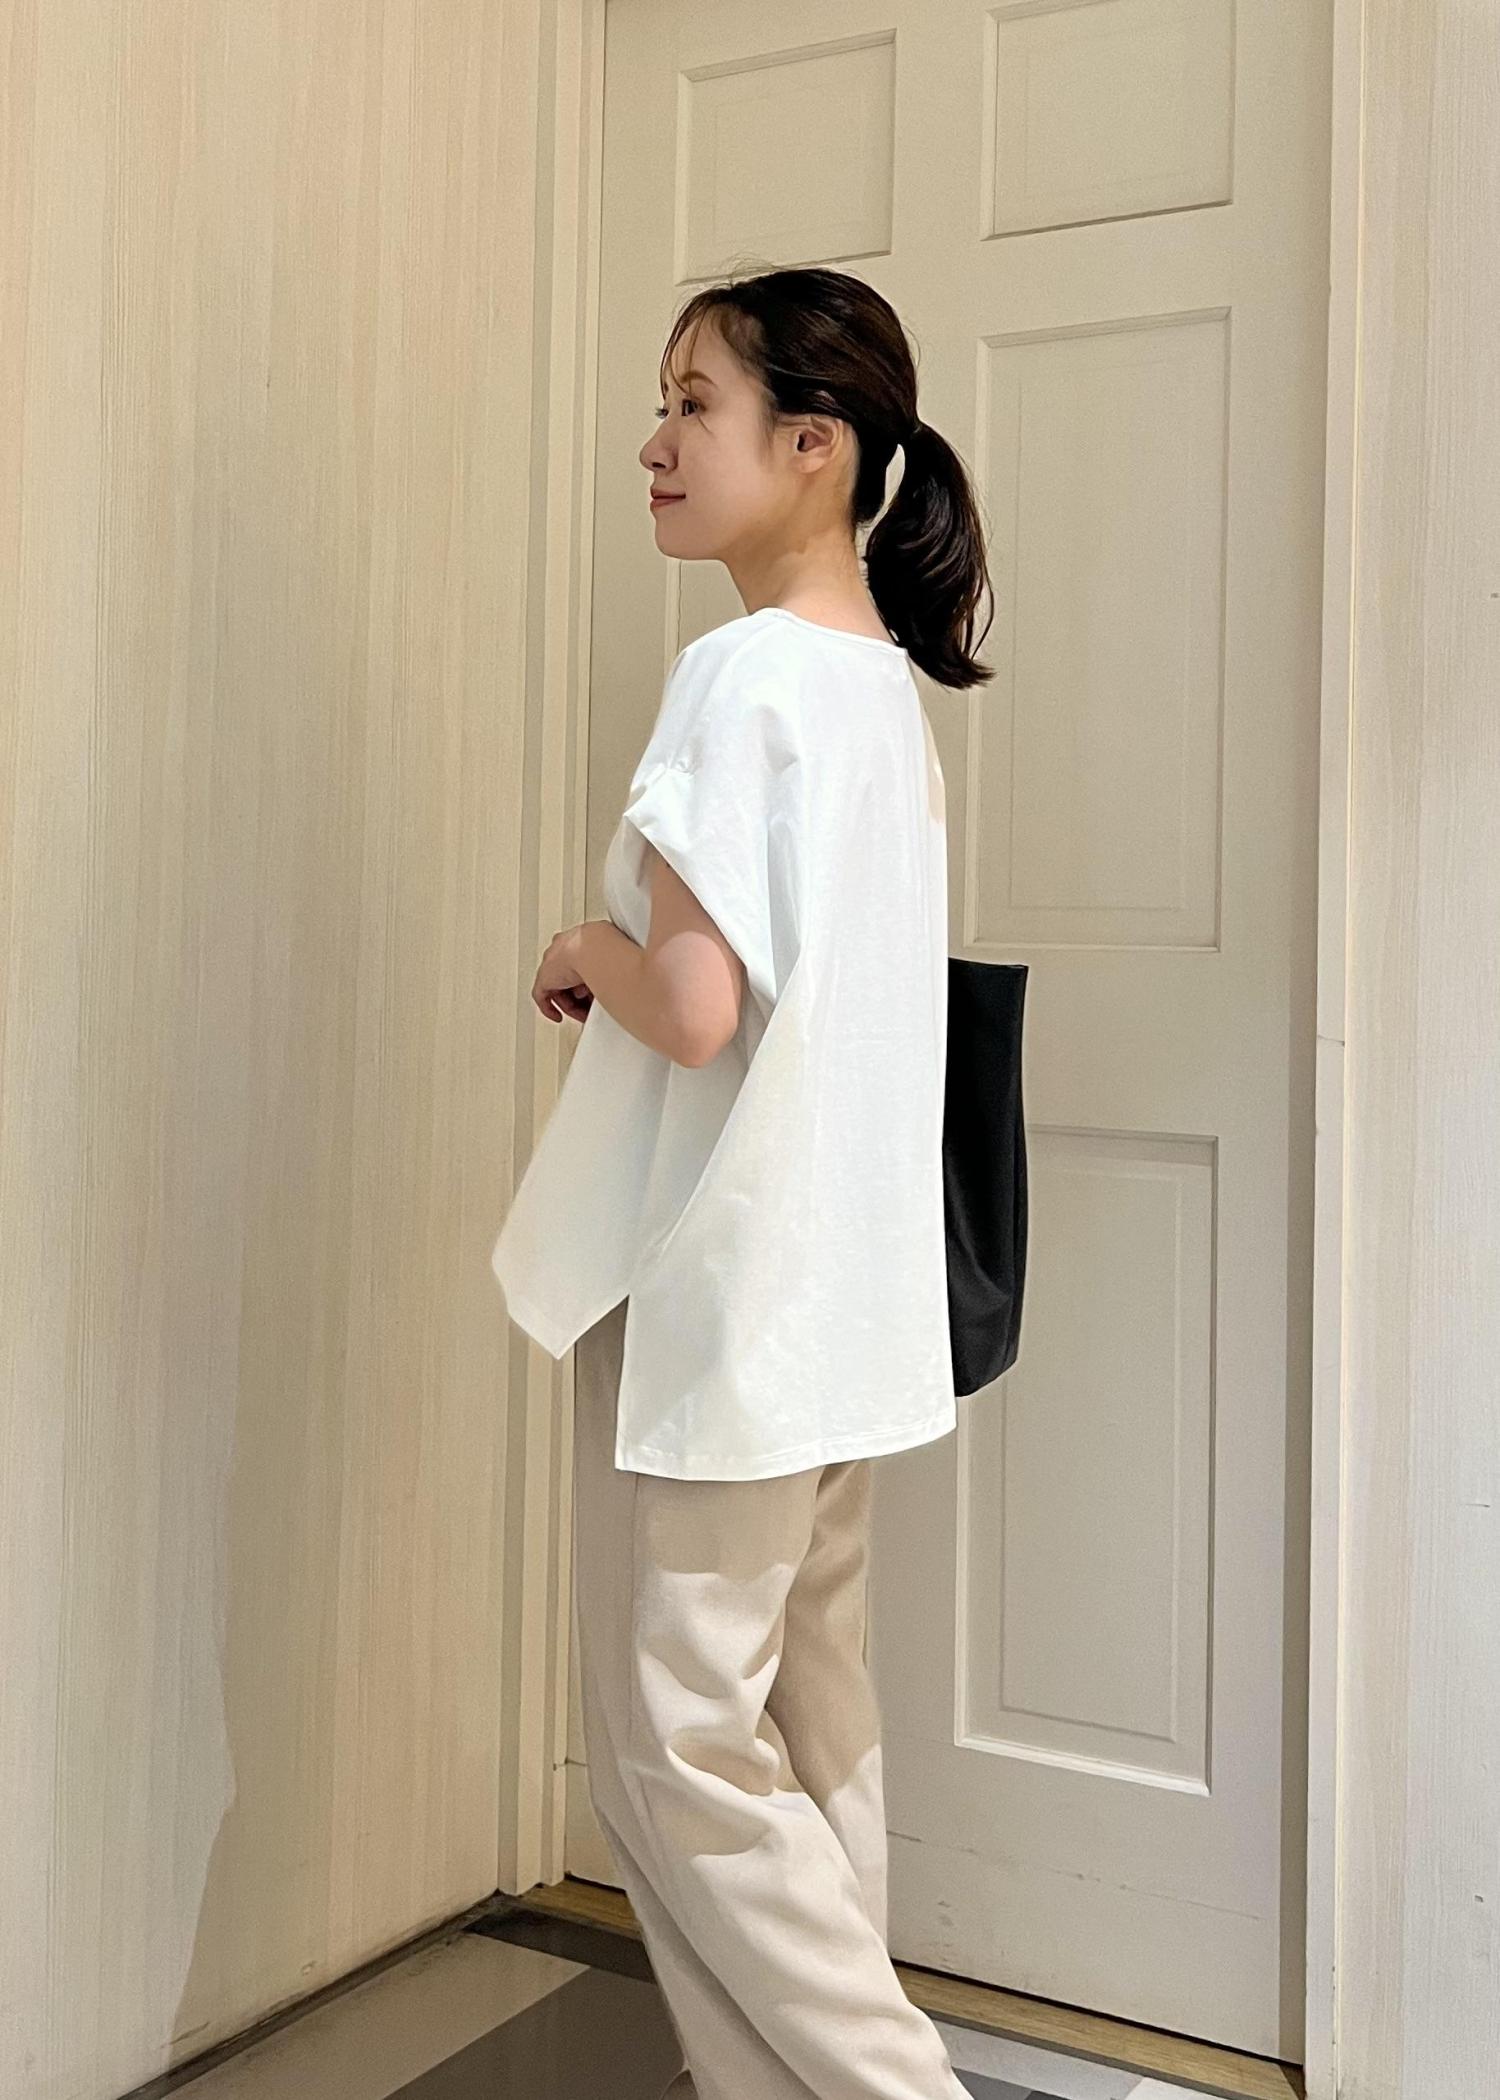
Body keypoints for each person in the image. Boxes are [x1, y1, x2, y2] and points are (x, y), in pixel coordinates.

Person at [491, 265, 994, 2099]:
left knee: (678, 1750)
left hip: (726, 1303)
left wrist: (583, 950)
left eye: (691, 404)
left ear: (812, 444)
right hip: (853, 1305)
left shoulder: (743, 675)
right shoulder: (879, 693)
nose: (654, 441)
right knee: (810, 1710)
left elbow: (696, 1013)